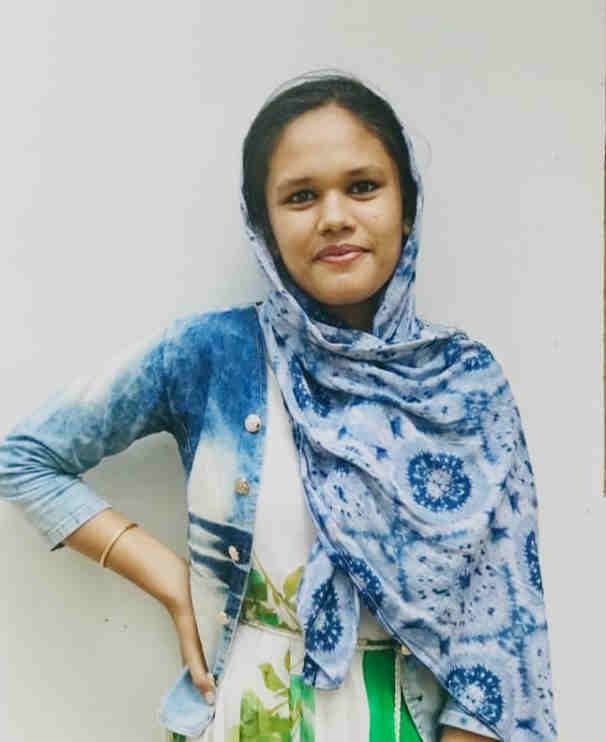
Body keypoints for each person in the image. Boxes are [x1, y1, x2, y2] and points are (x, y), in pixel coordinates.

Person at [0, 71, 557, 742]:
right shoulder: (214, 356)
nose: (334, 217)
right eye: (300, 196)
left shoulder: (465, 385)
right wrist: (174, 584)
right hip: (246, 716)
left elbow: (503, 627)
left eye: (362, 186)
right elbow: (24, 458)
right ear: (263, 225)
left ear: (406, 207)